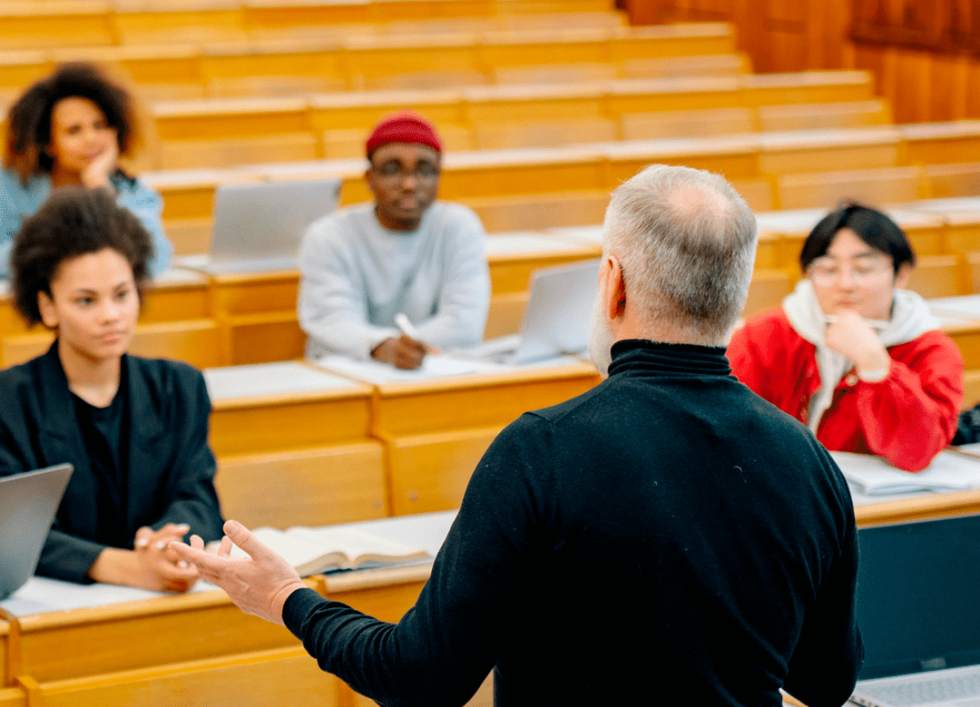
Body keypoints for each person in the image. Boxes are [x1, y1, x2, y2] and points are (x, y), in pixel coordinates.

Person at [175, 165, 862, 707]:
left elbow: (421, 678)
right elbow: (827, 683)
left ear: (612, 282)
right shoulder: (808, 462)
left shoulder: (544, 451)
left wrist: (286, 598)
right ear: (735, 292)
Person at [0, 188, 223, 590]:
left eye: (122, 295)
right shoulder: (8, 399)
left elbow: (200, 499)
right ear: (48, 306)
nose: (111, 316)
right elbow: (9, 531)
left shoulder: (180, 386)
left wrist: (166, 542)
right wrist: (125, 567)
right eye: (86, 301)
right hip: (55, 604)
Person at [728, 203, 963, 472]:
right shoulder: (766, 334)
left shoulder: (931, 349)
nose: (846, 284)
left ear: (902, 274)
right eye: (828, 270)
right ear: (808, 274)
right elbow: (727, 423)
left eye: (863, 269)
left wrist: (876, 367)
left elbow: (917, 453)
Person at [297, 110, 490, 370]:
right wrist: (383, 346)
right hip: (348, 372)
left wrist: (408, 350)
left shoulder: (458, 226)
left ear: (439, 177)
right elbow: (330, 319)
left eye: (424, 170)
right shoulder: (329, 235)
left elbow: (464, 319)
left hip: (435, 370)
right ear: (369, 178)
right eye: (392, 170)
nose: (409, 184)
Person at [0, 62, 173, 280]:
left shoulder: (129, 190)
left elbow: (153, 260)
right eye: (74, 131)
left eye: (100, 126)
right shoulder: (10, 186)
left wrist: (100, 186)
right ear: (48, 143)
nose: (91, 139)